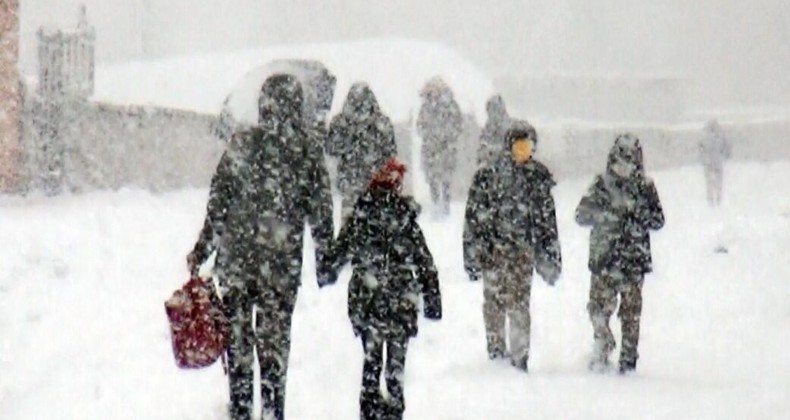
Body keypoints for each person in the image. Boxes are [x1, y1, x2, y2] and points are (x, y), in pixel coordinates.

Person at [187, 74, 335, 420]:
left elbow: (219, 203)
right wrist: (325, 257)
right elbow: (321, 213)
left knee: (239, 346)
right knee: (274, 348)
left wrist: (203, 248)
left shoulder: (242, 144)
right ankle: (272, 411)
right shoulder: (306, 153)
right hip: (280, 268)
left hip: (237, 265)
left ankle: (241, 410)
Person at [322, 158, 442, 420]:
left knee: (371, 361)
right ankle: (394, 411)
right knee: (396, 367)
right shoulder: (404, 217)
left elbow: (338, 253)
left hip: (368, 301)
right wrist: (432, 298)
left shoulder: (361, 216)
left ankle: (369, 410)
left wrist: (326, 271)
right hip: (401, 301)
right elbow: (424, 261)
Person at [463, 120, 562, 372]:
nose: (523, 153)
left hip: (521, 254)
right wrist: (473, 253)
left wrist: (550, 255)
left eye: (527, 147)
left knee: (519, 304)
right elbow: (474, 218)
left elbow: (546, 223)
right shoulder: (489, 176)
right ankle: (496, 353)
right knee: (494, 303)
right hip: (493, 251)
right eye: (519, 147)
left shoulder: (537, 178)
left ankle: (519, 358)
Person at [575, 133, 665, 374]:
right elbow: (581, 215)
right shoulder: (600, 184)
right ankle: (603, 345)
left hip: (633, 261)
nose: (624, 167)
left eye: (630, 161)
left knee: (631, 315)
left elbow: (658, 220)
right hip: (605, 260)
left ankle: (628, 359)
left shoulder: (645, 188)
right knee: (597, 310)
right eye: (620, 160)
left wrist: (636, 216)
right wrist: (606, 215)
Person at [326, 82, 398, 218]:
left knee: (349, 227)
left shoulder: (341, 122)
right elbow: (391, 152)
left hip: (351, 184)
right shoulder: (382, 123)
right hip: (376, 186)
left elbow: (331, 148)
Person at [417, 77, 463, 215]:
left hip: (441, 148)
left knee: (442, 178)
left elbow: (457, 125)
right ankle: (437, 203)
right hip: (436, 148)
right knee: (436, 178)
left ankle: (442, 204)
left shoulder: (447, 106)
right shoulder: (429, 106)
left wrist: (440, 136)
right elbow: (420, 126)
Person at [698, 119, 732, 206]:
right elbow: (726, 148)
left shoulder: (704, 137)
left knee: (709, 183)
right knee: (718, 182)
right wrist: (726, 156)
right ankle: (718, 199)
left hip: (708, 162)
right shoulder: (720, 137)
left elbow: (701, 150)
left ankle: (711, 200)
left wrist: (702, 160)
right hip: (717, 162)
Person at [477, 94, 511, 167]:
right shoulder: (486, 130)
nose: (493, 114)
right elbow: (482, 149)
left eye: (496, 110)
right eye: (491, 110)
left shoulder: (510, 128)